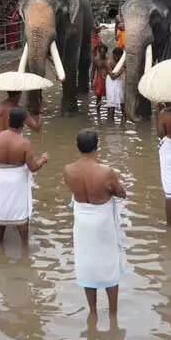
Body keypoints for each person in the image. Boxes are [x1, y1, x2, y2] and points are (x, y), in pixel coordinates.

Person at [63, 130, 127, 316]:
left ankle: (93, 311)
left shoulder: (68, 170)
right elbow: (121, 193)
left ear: (78, 147)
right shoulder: (106, 171)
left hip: (82, 221)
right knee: (109, 264)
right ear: (97, 146)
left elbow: (72, 189)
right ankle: (113, 314)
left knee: (87, 263)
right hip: (103, 223)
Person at [0, 107, 48, 245]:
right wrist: (43, 159)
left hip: (0, 179)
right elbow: (33, 167)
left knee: (1, 210)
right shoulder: (24, 143)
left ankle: (0, 244)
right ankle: (24, 246)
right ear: (23, 123)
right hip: (17, 180)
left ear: (9, 120)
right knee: (20, 212)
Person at [105, 47, 124, 122]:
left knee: (123, 102)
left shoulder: (121, 62)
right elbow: (112, 77)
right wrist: (121, 71)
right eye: (117, 56)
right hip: (111, 83)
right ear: (114, 55)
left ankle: (123, 123)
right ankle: (110, 124)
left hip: (119, 81)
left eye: (120, 57)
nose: (118, 58)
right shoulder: (109, 62)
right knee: (111, 104)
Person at [91, 45, 108, 117]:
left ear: (106, 52)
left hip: (108, 80)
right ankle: (98, 114)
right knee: (98, 98)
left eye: (103, 52)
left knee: (109, 97)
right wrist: (91, 81)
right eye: (101, 52)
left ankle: (109, 114)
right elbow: (93, 71)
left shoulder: (108, 59)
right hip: (99, 80)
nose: (102, 53)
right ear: (99, 52)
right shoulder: (96, 60)